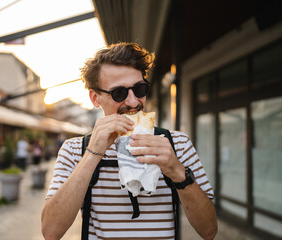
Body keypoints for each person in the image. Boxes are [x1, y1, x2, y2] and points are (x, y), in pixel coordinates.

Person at [41, 43, 218, 240]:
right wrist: (92, 155)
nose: (134, 102)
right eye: (119, 93)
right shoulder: (74, 150)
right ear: (95, 98)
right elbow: (51, 231)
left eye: (139, 89)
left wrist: (177, 171)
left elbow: (209, 230)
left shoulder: (177, 144)